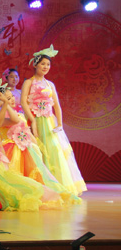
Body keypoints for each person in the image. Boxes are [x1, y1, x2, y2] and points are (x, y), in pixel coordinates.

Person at [0, 81, 77, 206]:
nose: (12, 99)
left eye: (12, 96)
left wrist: (35, 146)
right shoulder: (1, 117)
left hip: (26, 149)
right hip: (11, 151)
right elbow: (15, 120)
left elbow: (25, 130)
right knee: (16, 177)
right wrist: (5, 105)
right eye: (8, 98)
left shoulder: (17, 112)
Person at [20, 45, 86, 196]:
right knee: (37, 151)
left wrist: (60, 124)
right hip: (34, 119)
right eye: (42, 64)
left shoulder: (50, 84)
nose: (45, 67)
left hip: (49, 121)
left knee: (54, 150)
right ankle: (40, 185)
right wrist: (32, 121)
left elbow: (57, 105)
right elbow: (23, 102)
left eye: (48, 64)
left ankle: (56, 185)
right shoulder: (28, 82)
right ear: (35, 64)